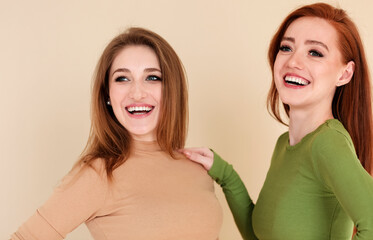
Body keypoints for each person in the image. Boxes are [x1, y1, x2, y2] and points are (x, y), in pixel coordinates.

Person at [181, 3, 373, 240]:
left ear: (344, 74)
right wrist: (225, 173)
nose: (293, 61)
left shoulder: (328, 143)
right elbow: (258, 234)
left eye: (315, 52)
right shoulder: (284, 144)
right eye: (286, 47)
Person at [10, 27, 222, 240]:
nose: (137, 93)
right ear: (107, 95)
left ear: (172, 89)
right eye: (122, 79)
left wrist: (228, 177)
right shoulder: (99, 173)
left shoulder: (196, 169)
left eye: (152, 77)